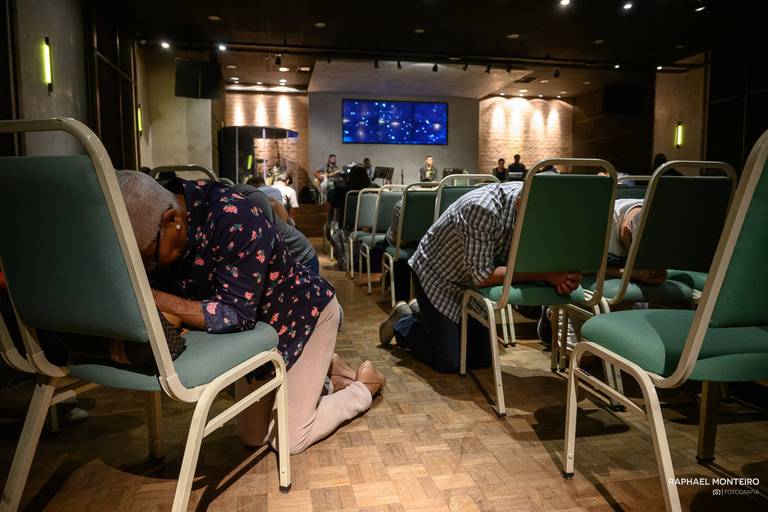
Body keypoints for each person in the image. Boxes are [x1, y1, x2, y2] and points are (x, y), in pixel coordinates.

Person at [116, 171, 385, 454]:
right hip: (258, 336)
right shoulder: (161, 215)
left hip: (304, 315)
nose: (148, 268)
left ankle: (365, 386)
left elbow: (235, 314)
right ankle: (324, 374)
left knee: (288, 440)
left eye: (148, 258)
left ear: (172, 220)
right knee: (253, 436)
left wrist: (154, 297)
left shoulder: (233, 216)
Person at [378, 182, 582, 373]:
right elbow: (482, 276)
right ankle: (403, 322)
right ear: (519, 204)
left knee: (481, 359)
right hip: (436, 276)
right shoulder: (482, 208)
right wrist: (545, 274)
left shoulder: (536, 200)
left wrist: (562, 276)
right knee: (449, 361)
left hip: (467, 282)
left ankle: (423, 313)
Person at [232, 182, 320, 274]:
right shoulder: (266, 200)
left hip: (301, 258)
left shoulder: (257, 199)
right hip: (293, 254)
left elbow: (268, 239)